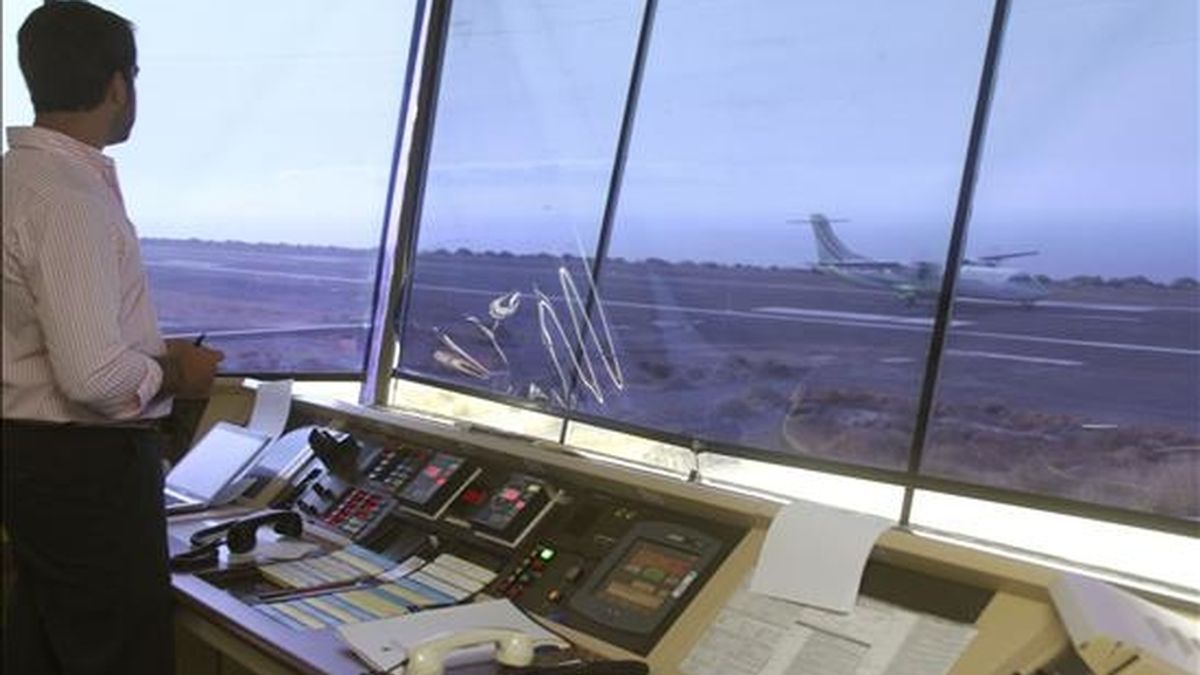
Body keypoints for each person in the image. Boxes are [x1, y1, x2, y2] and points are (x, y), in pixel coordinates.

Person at [2, 3, 224, 673]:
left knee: (45, 645)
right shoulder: (67, 197)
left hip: (33, 462)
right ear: (118, 86)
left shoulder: (16, 181)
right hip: (85, 471)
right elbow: (95, 378)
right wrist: (176, 371)